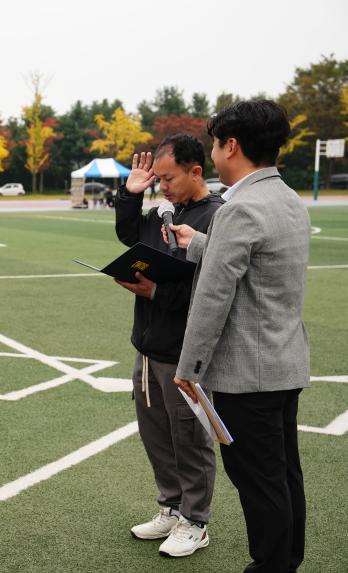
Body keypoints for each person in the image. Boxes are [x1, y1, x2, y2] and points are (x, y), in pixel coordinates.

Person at [171, 100, 309, 572]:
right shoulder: (286, 198)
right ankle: (286, 561)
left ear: (231, 145)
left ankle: (271, 565)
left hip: (246, 375)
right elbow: (261, 263)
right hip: (284, 362)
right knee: (283, 473)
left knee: (258, 479)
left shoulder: (240, 209)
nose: (212, 154)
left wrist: (189, 368)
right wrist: (200, 243)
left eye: (214, 144)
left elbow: (213, 297)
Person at [114, 135, 224, 558]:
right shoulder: (165, 209)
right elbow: (130, 236)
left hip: (184, 353)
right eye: (157, 179)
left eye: (168, 178)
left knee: (190, 439)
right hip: (147, 346)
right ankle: (172, 507)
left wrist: (156, 293)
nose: (162, 187)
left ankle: (195, 521)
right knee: (157, 436)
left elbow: (214, 290)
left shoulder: (216, 217)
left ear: (196, 171)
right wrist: (130, 195)